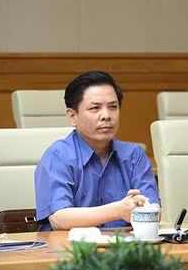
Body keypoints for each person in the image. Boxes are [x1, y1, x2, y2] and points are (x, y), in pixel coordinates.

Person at [34, 71, 159, 230]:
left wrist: (143, 206)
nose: (106, 115)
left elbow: (153, 208)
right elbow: (59, 219)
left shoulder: (134, 155)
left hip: (125, 243)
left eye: (113, 107)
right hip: (71, 245)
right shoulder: (58, 156)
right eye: (95, 108)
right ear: (72, 116)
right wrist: (119, 210)